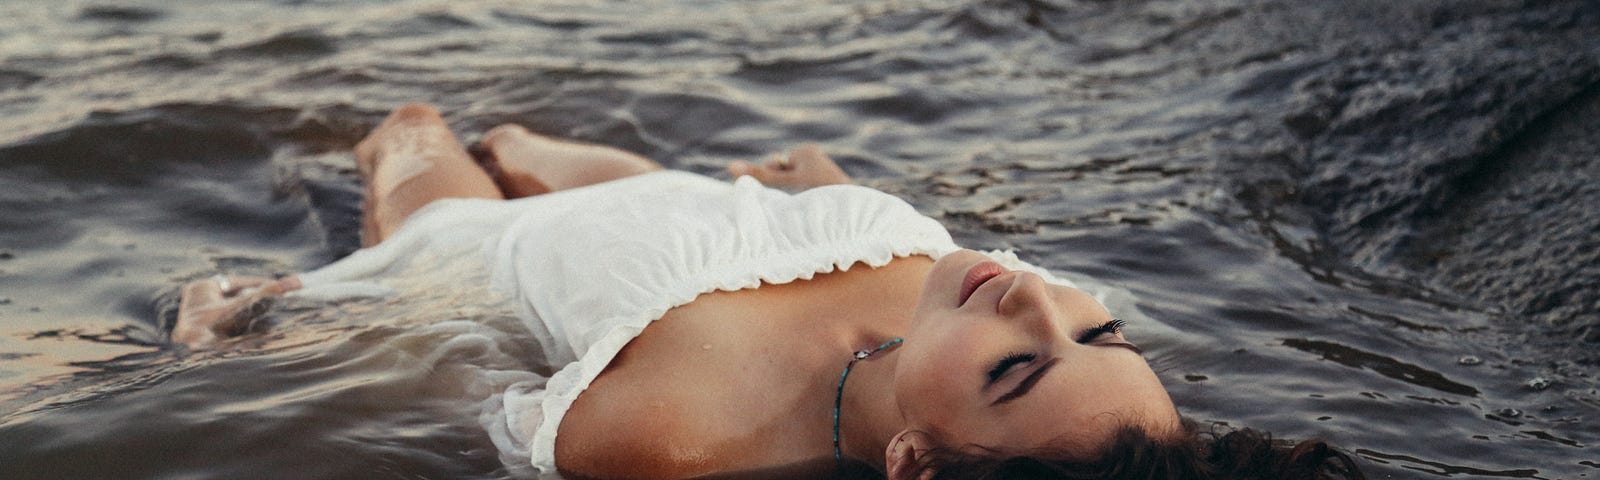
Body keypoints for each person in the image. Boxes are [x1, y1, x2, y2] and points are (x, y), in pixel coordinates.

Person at [172, 104, 1365, 479]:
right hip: (672, 198)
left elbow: (450, 368)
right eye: (1093, 324)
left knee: (416, 132)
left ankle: (459, 162)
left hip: (495, 249)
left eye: (1018, 367)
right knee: (519, 134)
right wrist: (834, 188)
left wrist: (267, 336)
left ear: (914, 463)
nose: (1033, 302)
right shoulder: (993, 298)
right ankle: (522, 143)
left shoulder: (679, 436)